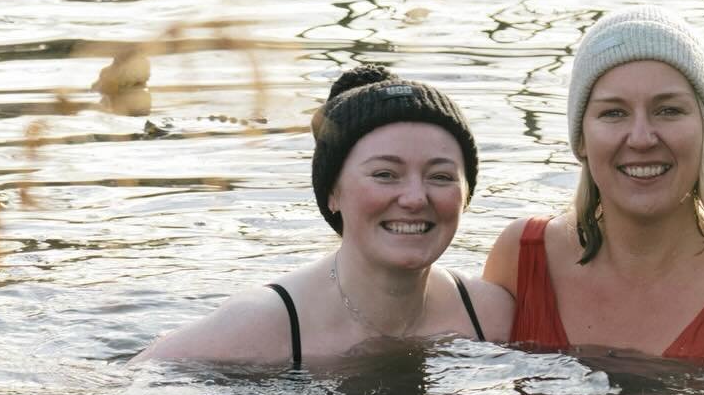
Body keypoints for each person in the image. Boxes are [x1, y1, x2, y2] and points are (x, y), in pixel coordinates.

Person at [484, 7, 704, 369]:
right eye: (614, 113)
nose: (642, 138)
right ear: (581, 139)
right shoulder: (522, 256)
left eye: (668, 111)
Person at [138, 65, 513, 368]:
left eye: (441, 177)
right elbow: (126, 390)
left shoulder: (492, 315)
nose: (415, 198)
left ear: (465, 196)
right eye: (385, 174)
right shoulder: (260, 326)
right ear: (333, 193)